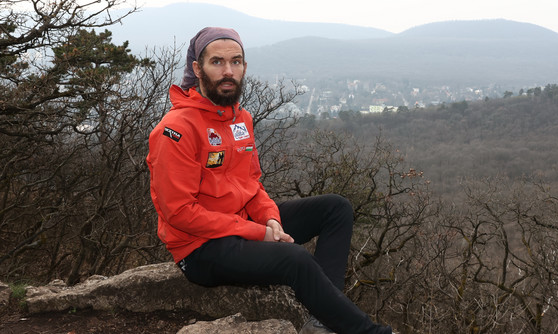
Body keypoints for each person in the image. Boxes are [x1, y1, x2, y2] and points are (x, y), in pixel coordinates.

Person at [147, 27, 394, 334]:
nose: (228, 71)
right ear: (197, 69)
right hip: (201, 249)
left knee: (336, 208)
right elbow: (179, 213)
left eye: (236, 62)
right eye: (217, 62)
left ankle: (322, 321)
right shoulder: (176, 130)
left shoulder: (241, 118)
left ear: (245, 67)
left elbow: (252, 185)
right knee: (295, 260)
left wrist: (271, 219)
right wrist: (256, 232)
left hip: (240, 223)